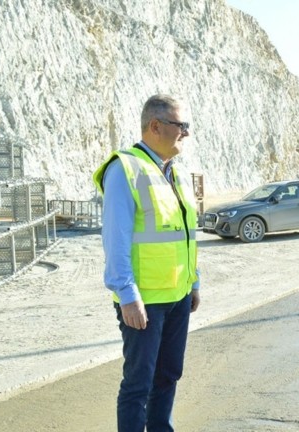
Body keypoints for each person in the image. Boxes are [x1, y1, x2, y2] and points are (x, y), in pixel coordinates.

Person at [93, 94, 201, 432]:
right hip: (144, 301)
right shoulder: (125, 168)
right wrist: (126, 293)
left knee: (168, 375)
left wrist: (194, 282)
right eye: (181, 126)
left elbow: (185, 235)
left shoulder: (177, 173)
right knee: (138, 383)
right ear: (155, 126)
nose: (186, 133)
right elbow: (116, 237)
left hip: (177, 296)